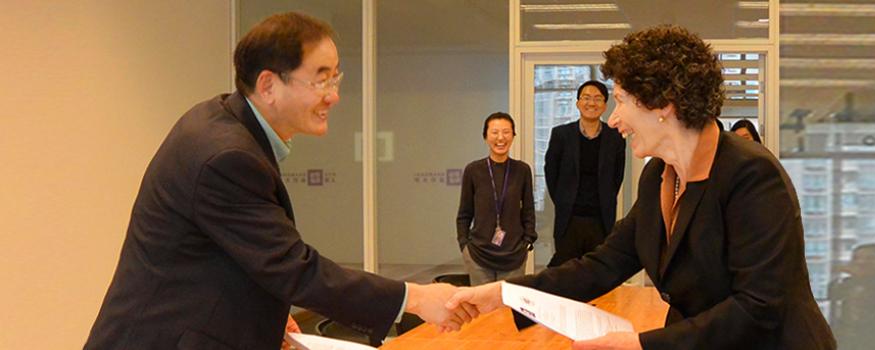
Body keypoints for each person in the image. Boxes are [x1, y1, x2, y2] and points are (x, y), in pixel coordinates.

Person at [85, 13, 474, 350]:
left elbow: (236, 254)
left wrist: (268, 312)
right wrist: (417, 297)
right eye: (321, 80)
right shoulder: (226, 156)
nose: (334, 96)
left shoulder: (225, 124)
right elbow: (293, 267)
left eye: (336, 77)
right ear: (269, 85)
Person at [447, 25, 835, 350]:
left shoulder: (751, 175)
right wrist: (503, 295)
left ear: (662, 104)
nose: (614, 119)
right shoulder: (658, 177)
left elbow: (758, 307)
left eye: (621, 101)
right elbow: (602, 265)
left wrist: (642, 344)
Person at [545, 80, 626, 267]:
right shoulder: (561, 135)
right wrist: (563, 200)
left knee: (597, 272)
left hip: (600, 219)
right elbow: (551, 173)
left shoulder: (615, 137)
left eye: (598, 99)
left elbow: (617, 177)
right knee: (565, 271)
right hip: (569, 217)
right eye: (586, 98)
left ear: (605, 105)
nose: (592, 103)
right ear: (577, 103)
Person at [456, 112, 536, 285]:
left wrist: (528, 241)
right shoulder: (473, 170)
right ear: (485, 136)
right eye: (495, 132)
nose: (501, 138)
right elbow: (464, 213)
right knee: (483, 310)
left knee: (508, 309)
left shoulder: (522, 170)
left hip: (514, 255)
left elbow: (529, 210)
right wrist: (465, 246)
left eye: (506, 132)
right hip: (478, 254)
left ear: (513, 136)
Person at [828, 243, 875, 350]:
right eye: (856, 258)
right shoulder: (849, 283)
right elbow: (833, 294)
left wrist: (859, 276)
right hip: (847, 337)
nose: (861, 262)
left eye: (871, 258)